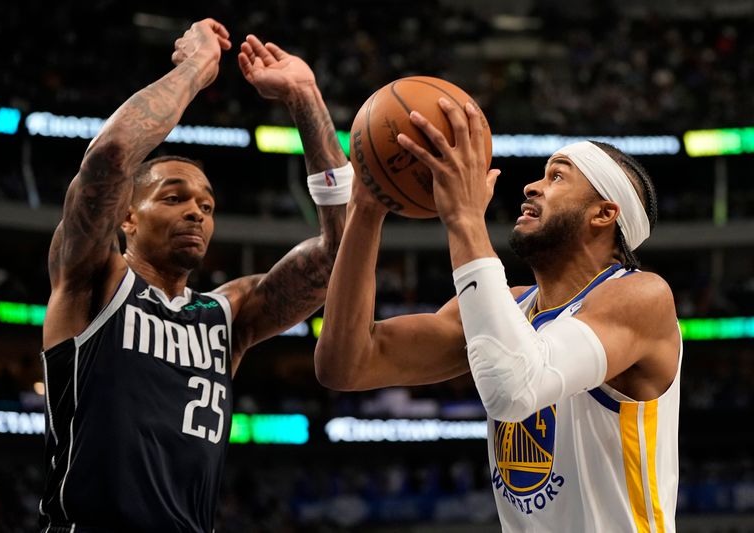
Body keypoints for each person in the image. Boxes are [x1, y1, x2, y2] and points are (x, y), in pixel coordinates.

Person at [40, 19, 351, 532]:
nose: (196, 213)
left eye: (206, 205)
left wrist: (305, 97)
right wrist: (196, 68)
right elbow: (111, 157)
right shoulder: (93, 278)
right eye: (174, 197)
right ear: (127, 217)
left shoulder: (227, 315)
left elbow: (340, 253)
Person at [316, 99, 681, 532]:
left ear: (603, 213)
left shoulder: (641, 296)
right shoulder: (510, 307)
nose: (531, 186)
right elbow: (346, 363)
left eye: (557, 176)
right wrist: (367, 209)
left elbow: (514, 388)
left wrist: (465, 217)